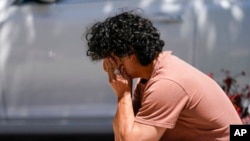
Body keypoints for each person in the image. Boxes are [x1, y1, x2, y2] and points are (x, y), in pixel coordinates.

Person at [85, 10, 242, 141]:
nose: (108, 66)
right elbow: (122, 133)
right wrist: (123, 93)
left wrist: (123, 94)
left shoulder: (167, 83)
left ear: (130, 53)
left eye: (111, 59)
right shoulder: (149, 76)